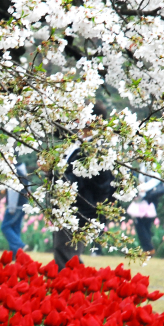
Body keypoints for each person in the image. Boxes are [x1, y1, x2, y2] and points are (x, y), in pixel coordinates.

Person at [51, 102, 114, 270]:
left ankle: (75, 292)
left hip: (78, 211)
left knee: (66, 255)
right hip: (67, 208)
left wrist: (54, 171)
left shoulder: (95, 149)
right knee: (65, 254)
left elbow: (96, 185)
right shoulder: (78, 143)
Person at [127, 168, 164, 255]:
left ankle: (148, 248)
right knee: (143, 225)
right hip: (143, 200)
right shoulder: (143, 168)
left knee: (141, 225)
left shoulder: (150, 168)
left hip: (148, 201)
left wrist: (143, 188)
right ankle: (147, 248)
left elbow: (155, 180)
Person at [1, 160, 30, 256]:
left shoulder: (13, 173)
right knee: (15, 229)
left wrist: (11, 208)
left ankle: (20, 245)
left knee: (5, 227)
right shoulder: (23, 172)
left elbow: (13, 192)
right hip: (23, 204)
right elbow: (29, 189)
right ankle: (15, 256)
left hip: (15, 206)